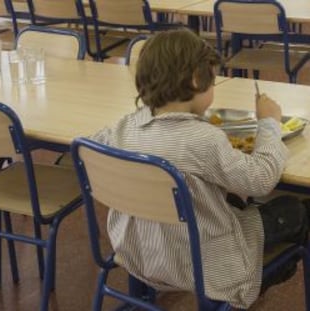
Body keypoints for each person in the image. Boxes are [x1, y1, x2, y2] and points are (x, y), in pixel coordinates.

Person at [90, 28, 308, 309]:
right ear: (196, 79)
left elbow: (91, 147)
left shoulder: (122, 129)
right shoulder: (203, 140)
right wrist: (269, 123)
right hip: (200, 265)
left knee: (224, 199)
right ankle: (241, 293)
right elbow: (261, 179)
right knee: (296, 210)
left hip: (137, 252)